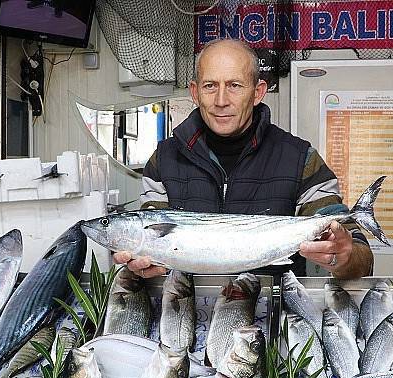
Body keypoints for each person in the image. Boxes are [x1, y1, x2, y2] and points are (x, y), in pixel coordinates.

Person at [114, 39, 374, 279]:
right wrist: (146, 265)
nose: (221, 100)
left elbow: (362, 260)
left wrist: (343, 254)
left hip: (271, 318)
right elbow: (151, 243)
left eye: (235, 85)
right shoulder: (164, 160)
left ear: (258, 92)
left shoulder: (299, 158)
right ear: (195, 92)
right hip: (189, 315)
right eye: (210, 86)